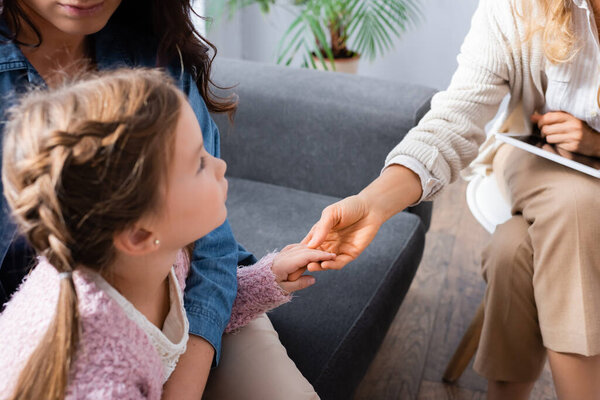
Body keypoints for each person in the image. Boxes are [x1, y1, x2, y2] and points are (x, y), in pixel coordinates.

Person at [0, 1, 322, 398]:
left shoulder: (164, 255)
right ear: (138, 233)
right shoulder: (99, 376)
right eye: (200, 165)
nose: (221, 166)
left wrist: (267, 278)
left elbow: (188, 285)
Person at [304, 0, 600, 399]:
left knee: (512, 251)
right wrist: (375, 202)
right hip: (538, 157)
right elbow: (458, 115)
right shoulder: (518, 7)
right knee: (577, 206)